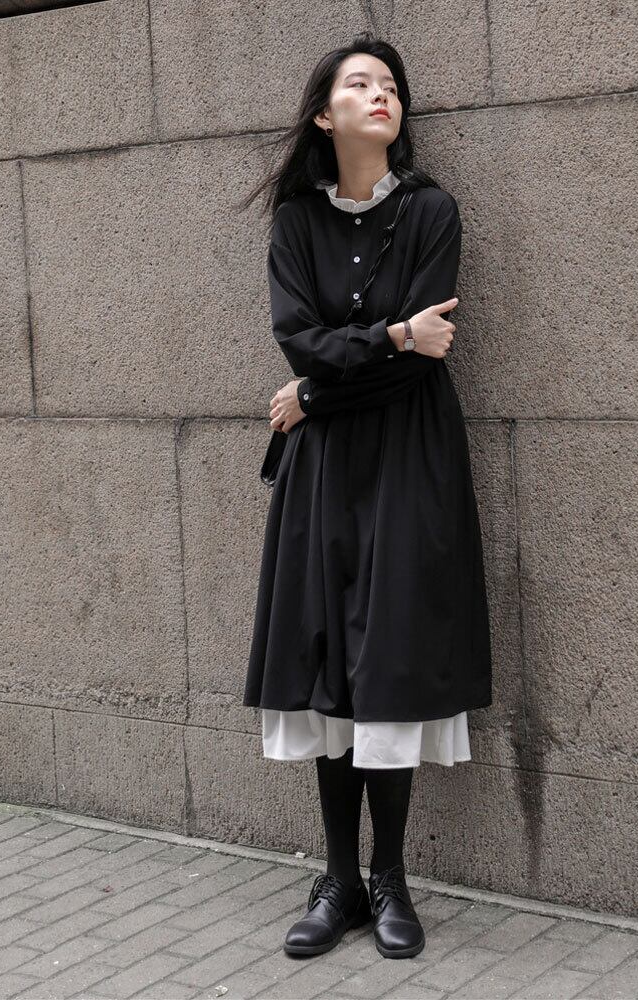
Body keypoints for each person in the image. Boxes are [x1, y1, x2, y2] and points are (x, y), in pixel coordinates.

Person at [239, 31, 492, 961]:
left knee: (390, 658)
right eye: (360, 83)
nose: (382, 94)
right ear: (324, 113)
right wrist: (386, 338)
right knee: (329, 665)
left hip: (409, 457)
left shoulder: (432, 212)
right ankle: (339, 880)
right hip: (326, 472)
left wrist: (315, 394)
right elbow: (300, 340)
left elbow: (425, 358)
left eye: (391, 85)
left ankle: (391, 879)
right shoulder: (296, 223)